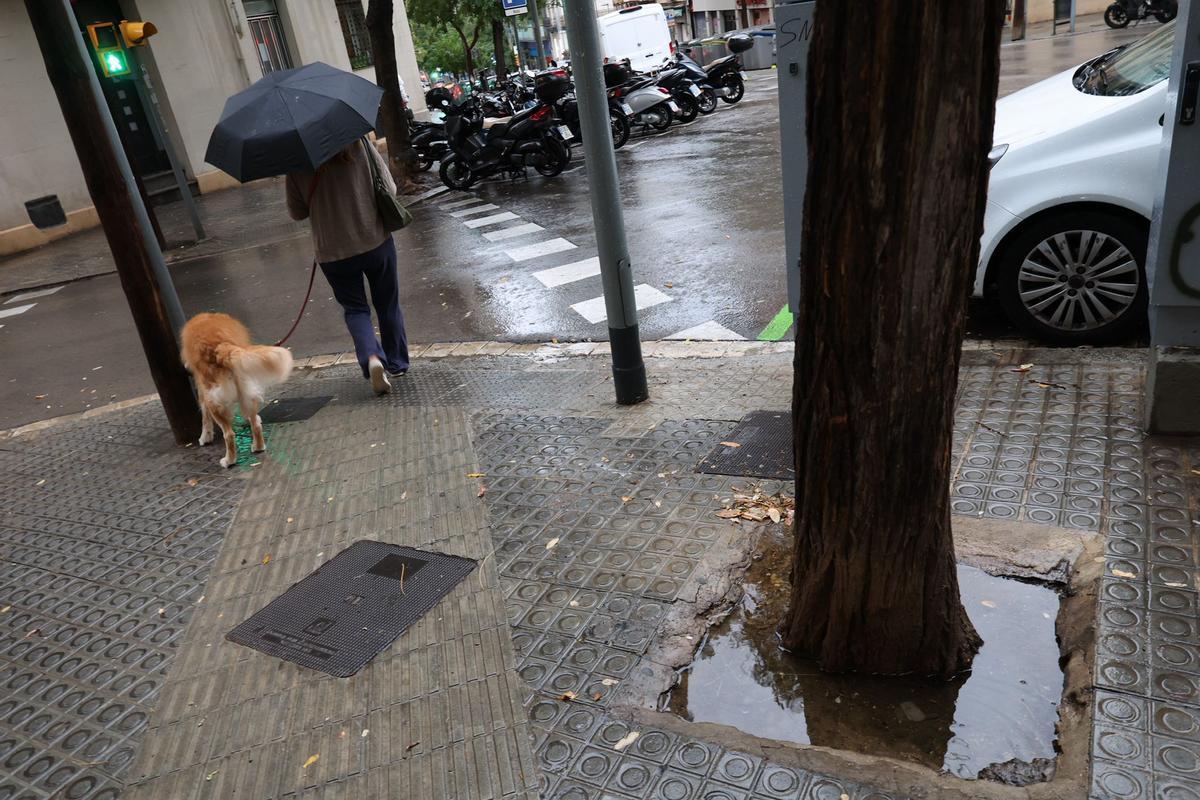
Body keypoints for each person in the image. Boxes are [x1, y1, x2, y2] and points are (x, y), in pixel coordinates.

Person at [286, 139, 410, 395]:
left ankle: (372, 356)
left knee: (355, 309)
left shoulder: (296, 159)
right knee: (387, 303)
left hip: (333, 252)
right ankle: (396, 363)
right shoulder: (359, 142)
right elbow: (389, 187)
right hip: (374, 238)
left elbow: (297, 212)